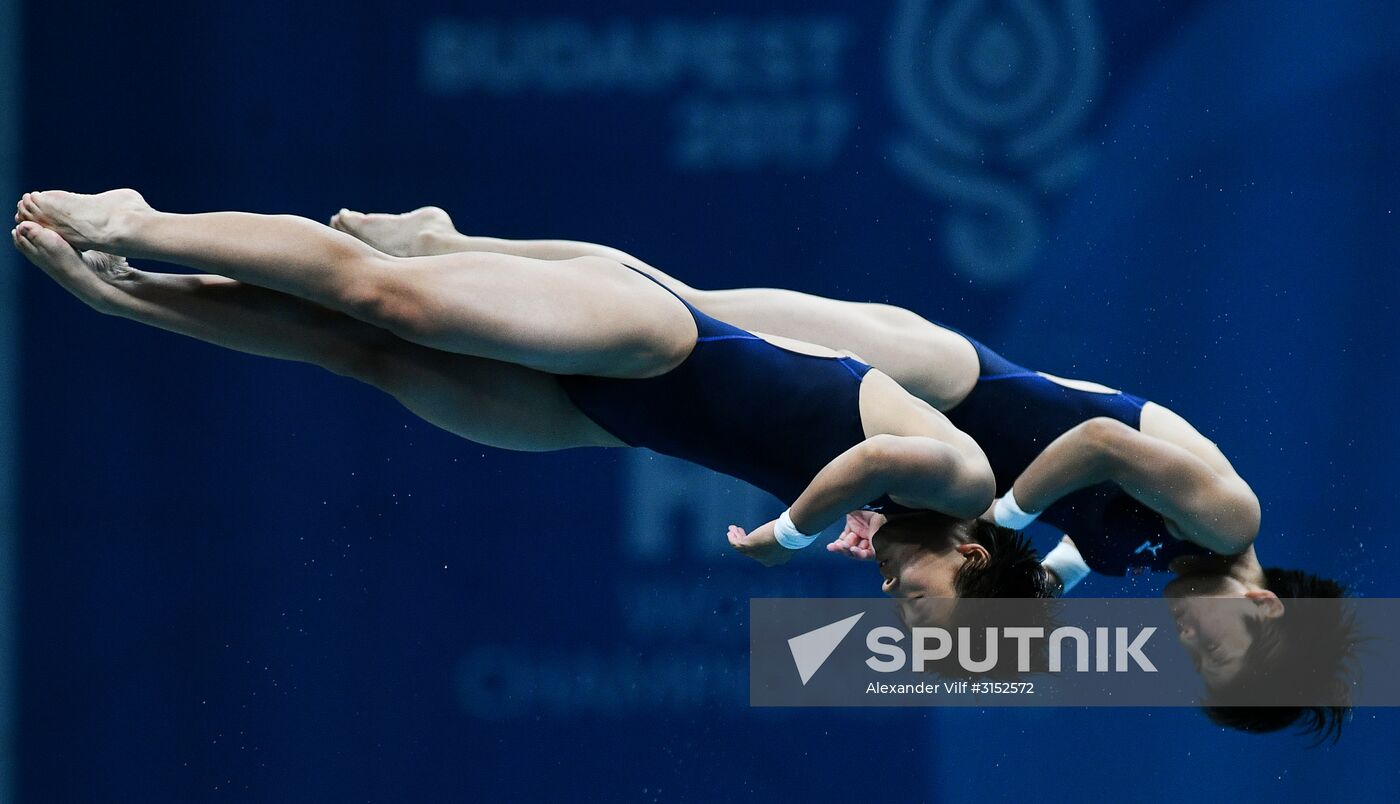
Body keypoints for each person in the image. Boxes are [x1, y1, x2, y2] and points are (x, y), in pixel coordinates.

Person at [325, 207, 1355, 738]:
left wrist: (1047, 576)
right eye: (1216, 655)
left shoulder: (1159, 555)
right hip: (945, 382)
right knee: (677, 306)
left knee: (675, 315)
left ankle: (443, 250)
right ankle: (445, 245)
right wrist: (1004, 524)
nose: (1188, 649)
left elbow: (1088, 524)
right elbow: (1094, 446)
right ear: (1261, 609)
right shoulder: (1226, 517)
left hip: (915, 414)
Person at [11, 189, 1050, 600]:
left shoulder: (909, 517)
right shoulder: (960, 476)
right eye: (926, 611)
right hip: (661, 349)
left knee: (366, 355)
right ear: (969, 553)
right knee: (388, 300)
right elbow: (859, 458)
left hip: (603, 419)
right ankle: (139, 224)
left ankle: (127, 299)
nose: (896, 608)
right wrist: (792, 529)